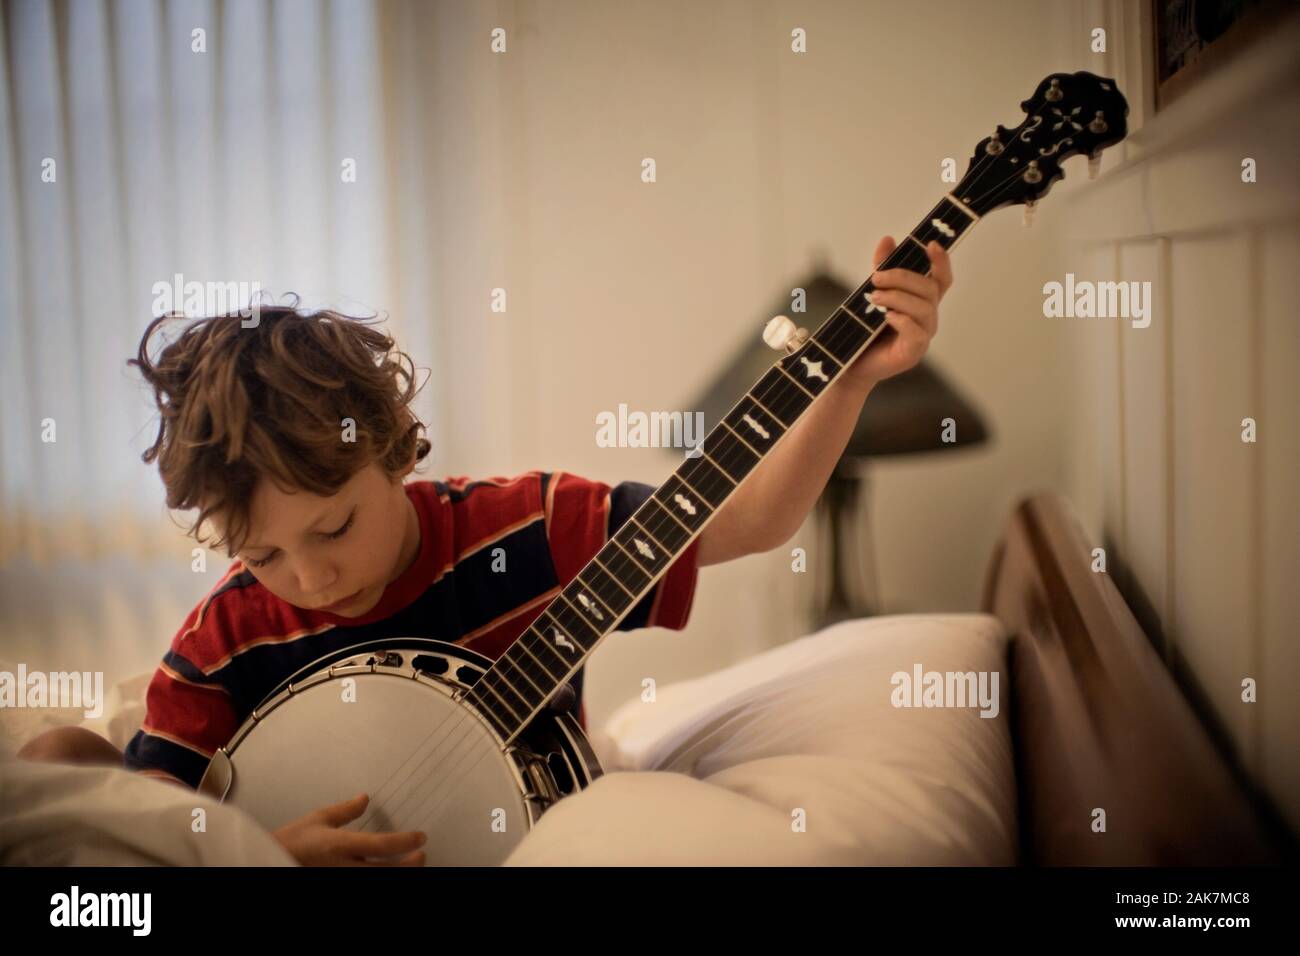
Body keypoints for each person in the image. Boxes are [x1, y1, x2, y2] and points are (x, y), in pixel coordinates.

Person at [18, 236, 953, 864]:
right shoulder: (222, 643)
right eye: (263, 555)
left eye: (334, 527)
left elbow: (749, 520)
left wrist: (850, 381)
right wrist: (268, 858)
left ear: (391, 448)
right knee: (57, 762)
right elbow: (150, 845)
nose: (310, 578)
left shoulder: (527, 531)